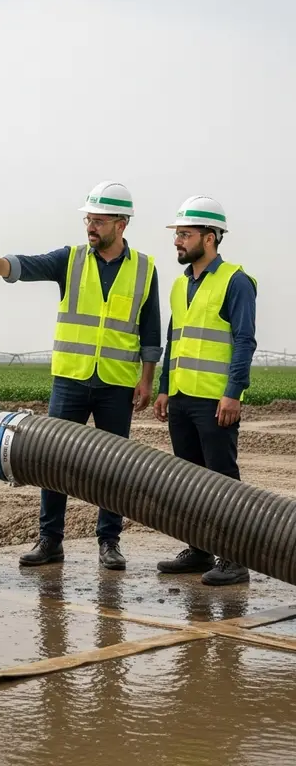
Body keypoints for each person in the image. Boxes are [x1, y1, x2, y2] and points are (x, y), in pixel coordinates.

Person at [0, 181, 162, 570]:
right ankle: (50, 540)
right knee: (54, 463)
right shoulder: (70, 260)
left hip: (117, 384)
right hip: (70, 380)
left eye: (99, 221)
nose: (91, 226)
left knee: (113, 467)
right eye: (89, 218)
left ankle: (109, 542)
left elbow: (150, 331)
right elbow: (25, 265)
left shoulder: (145, 269)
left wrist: (147, 379)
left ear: (121, 225)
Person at [154, 195, 257, 586]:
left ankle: (234, 558)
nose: (177, 241)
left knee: (222, 479)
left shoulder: (236, 281)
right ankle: (199, 550)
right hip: (181, 397)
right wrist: (165, 389)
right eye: (177, 234)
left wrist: (234, 392)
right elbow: (174, 338)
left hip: (216, 401)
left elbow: (244, 340)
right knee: (190, 479)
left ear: (210, 237)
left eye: (185, 234)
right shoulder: (182, 285)